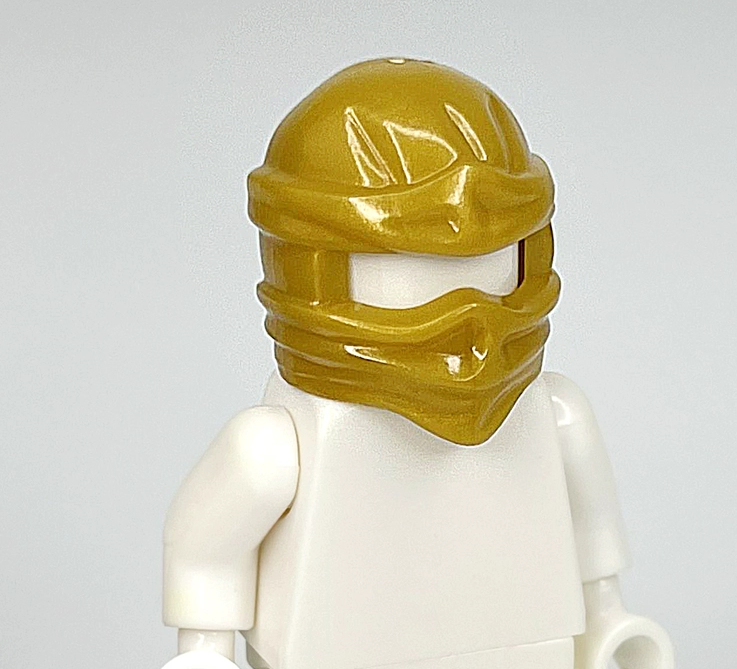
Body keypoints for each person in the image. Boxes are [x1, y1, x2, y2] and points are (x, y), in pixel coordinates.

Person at [160, 58, 674, 669]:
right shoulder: (274, 447)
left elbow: (589, 533)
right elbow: (206, 548)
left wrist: (608, 619)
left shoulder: (551, 413)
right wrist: (205, 652)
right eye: (414, 274)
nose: (468, 322)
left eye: (490, 266)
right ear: (315, 271)